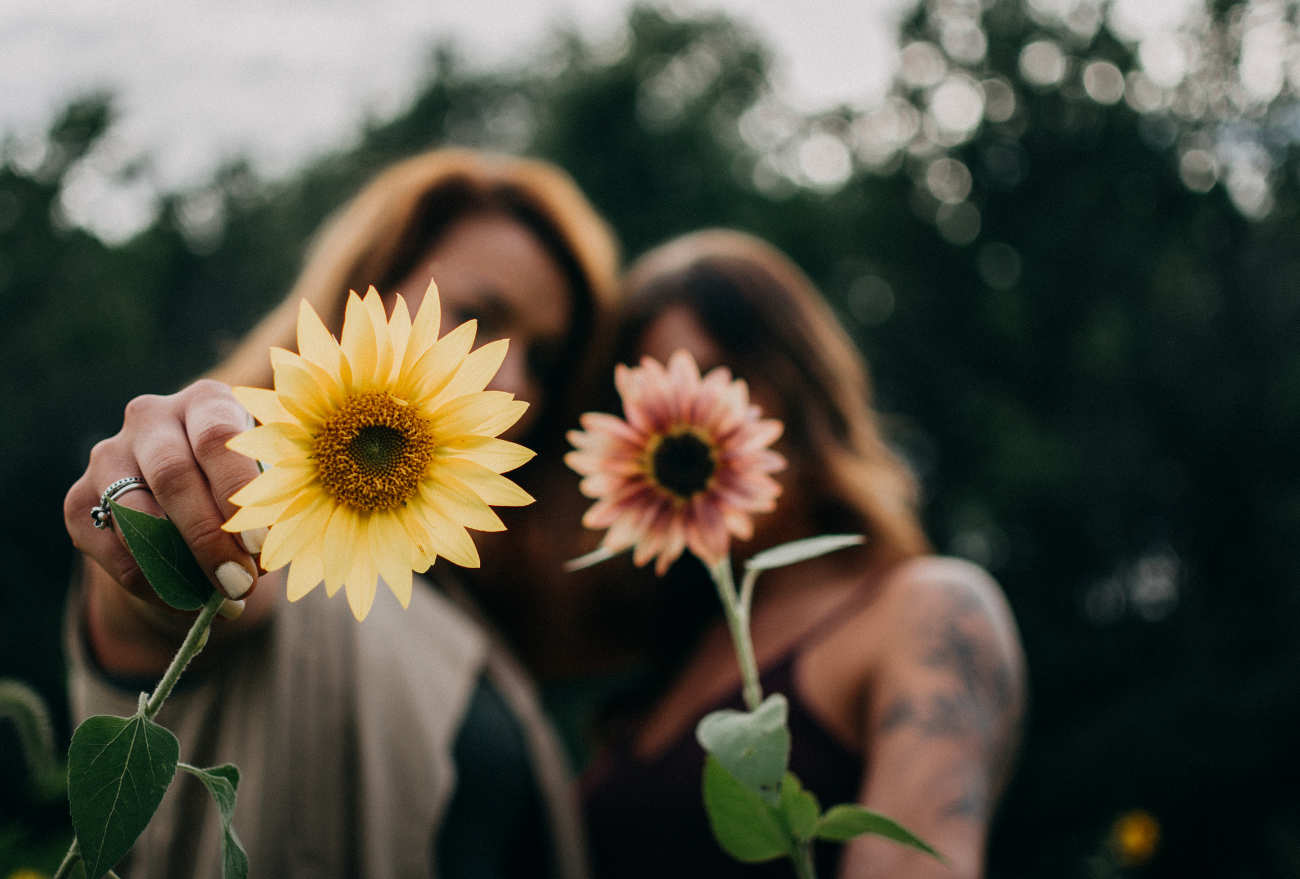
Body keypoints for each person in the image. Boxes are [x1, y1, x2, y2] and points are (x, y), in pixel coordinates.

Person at [62, 148, 620, 879]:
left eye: (543, 361)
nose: (509, 379)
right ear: (368, 288)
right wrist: (151, 511)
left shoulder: (459, 600)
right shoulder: (266, 520)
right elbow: (200, 592)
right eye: (478, 315)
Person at [579, 230, 1026, 879]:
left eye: (716, 380)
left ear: (799, 383)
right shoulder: (671, 661)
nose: (684, 425)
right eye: (639, 410)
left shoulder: (926, 613)